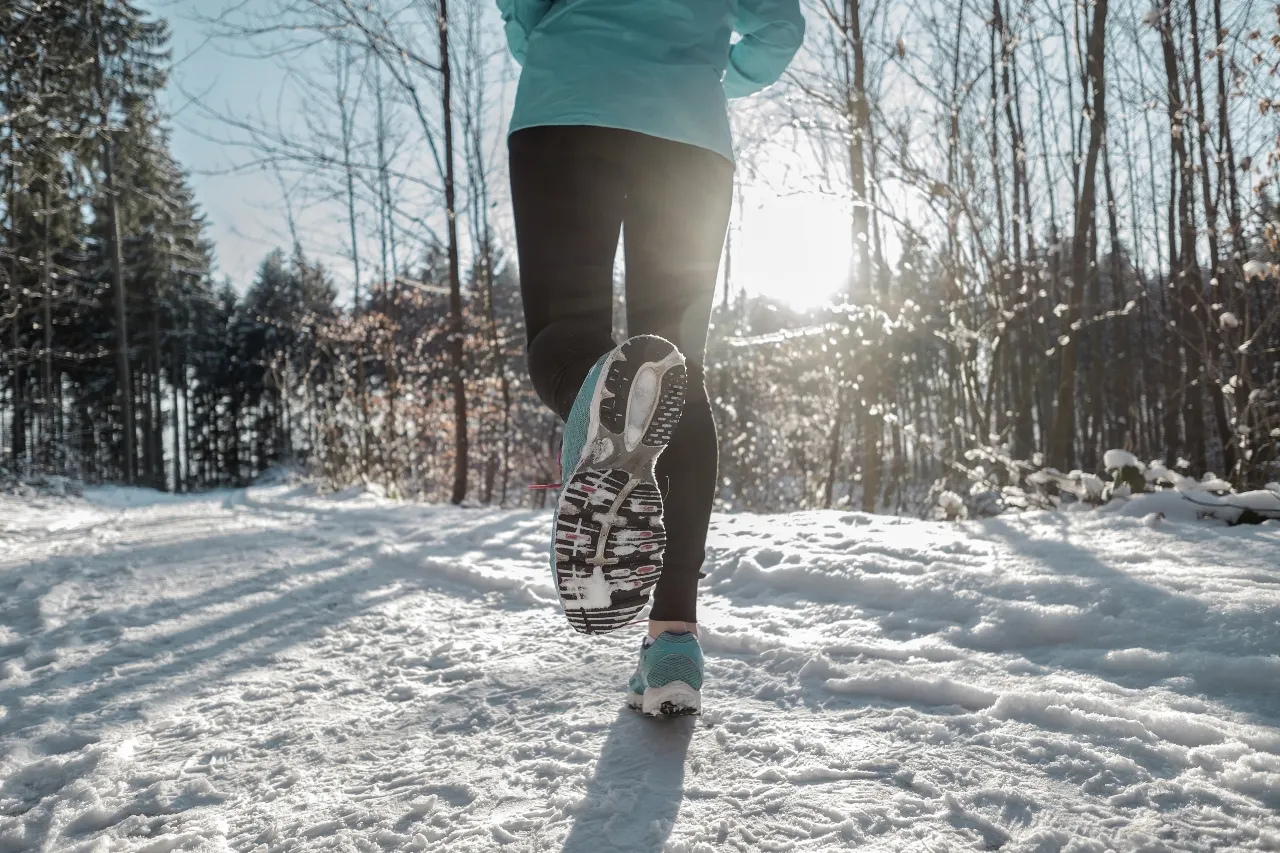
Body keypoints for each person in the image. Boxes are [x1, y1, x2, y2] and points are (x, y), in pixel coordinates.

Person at [499, 0, 805, 716]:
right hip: (690, 136)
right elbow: (780, 29)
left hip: (566, 104)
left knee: (562, 336)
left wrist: (561, 47)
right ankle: (673, 645)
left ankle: (601, 401)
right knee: (677, 373)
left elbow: (520, 13)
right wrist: (705, 76)